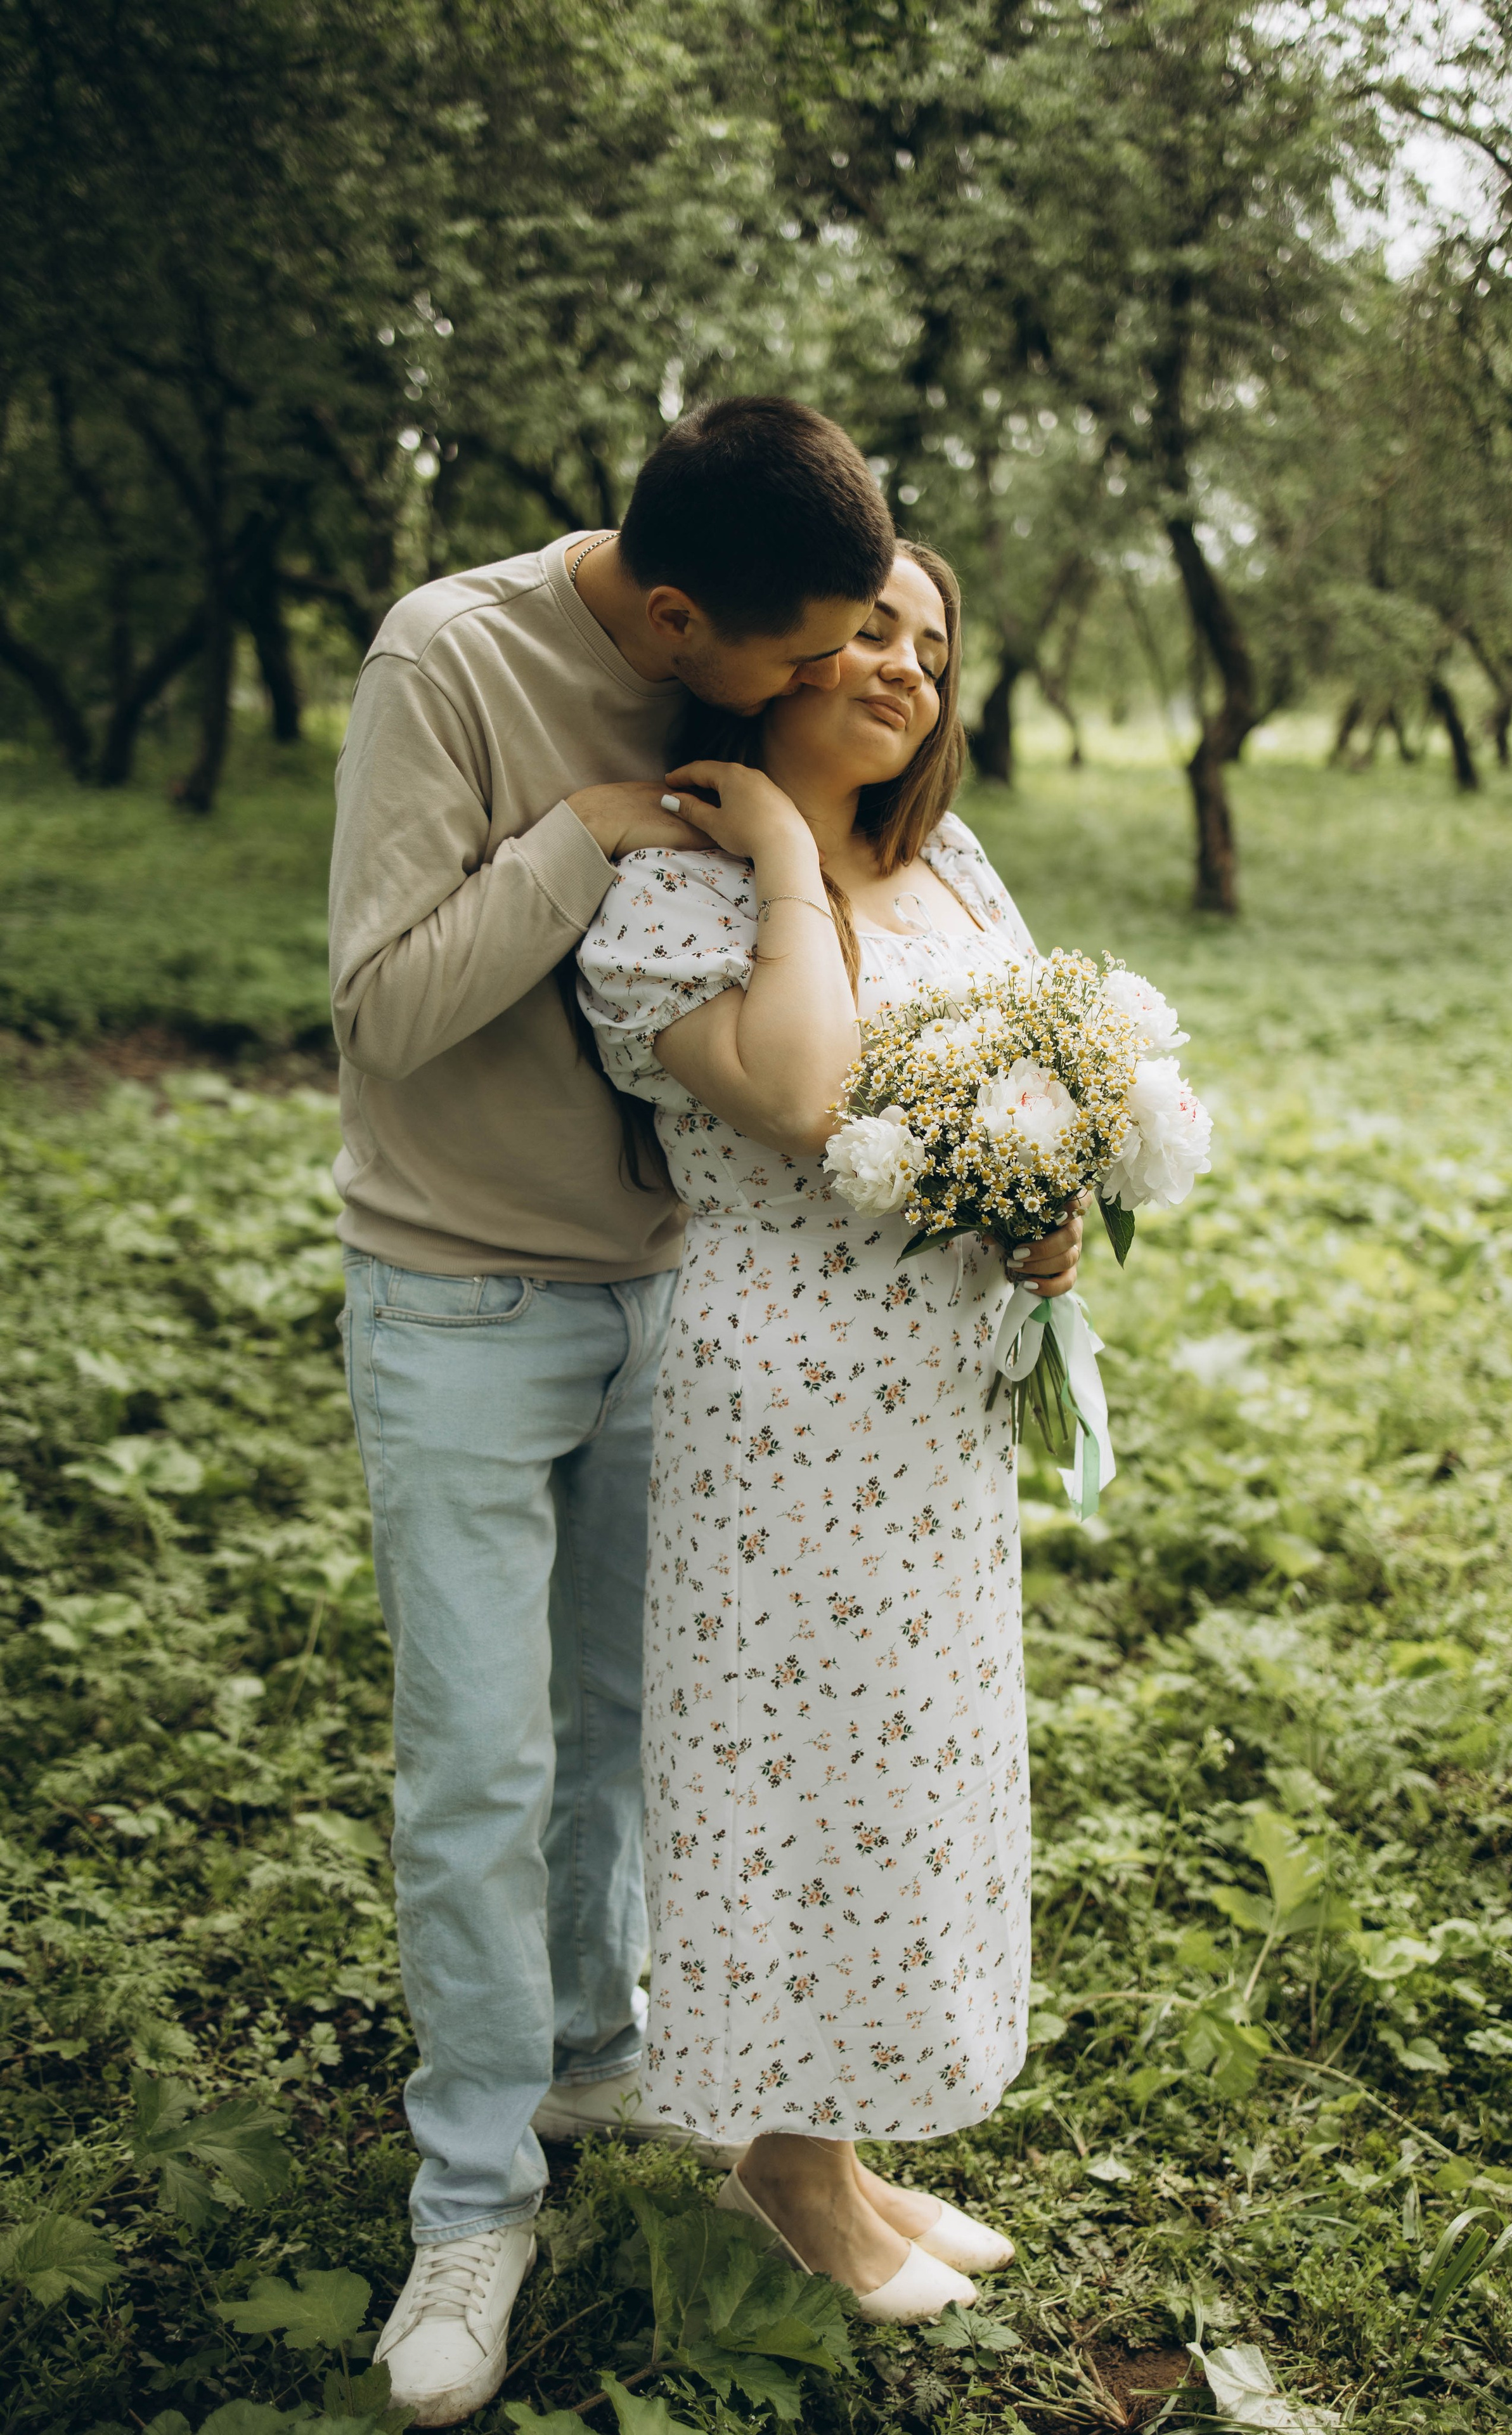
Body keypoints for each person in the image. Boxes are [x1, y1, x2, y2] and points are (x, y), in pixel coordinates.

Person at [328, 398, 898, 2427]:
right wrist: (581, 835)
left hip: (668, 1297)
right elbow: (385, 1004)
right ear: (670, 616)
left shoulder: (748, 667)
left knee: (633, 1738)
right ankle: (473, 2196)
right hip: (460, 1297)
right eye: (794, 660)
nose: (825, 686)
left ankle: (589, 2045)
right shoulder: (449, 657)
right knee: (479, 1766)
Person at [577, 541, 1084, 2321]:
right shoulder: (677, 896)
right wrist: (786, 853)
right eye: (869, 630)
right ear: (773, 650)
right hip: (782, 1394)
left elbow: (1041, 1066)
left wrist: (1051, 1199)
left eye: (931, 647)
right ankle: (788, 2172)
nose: (903, 667)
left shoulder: (949, 860)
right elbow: (799, 1097)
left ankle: (845, 2145)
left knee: (907, 1770)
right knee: (795, 1776)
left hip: (935, 1403)